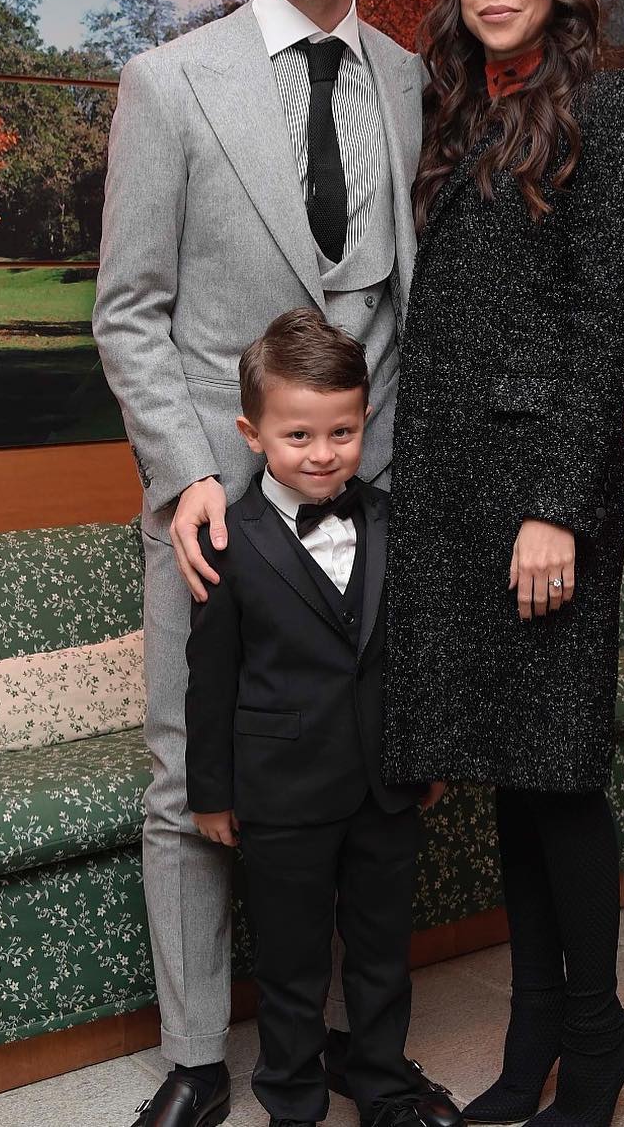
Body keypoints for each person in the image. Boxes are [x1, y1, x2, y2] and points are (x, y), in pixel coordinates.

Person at [93, 0, 454, 1127]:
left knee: (376, 778)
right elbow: (129, 309)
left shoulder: (415, 82)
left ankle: (366, 1052)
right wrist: (188, 472)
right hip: (213, 500)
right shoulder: (168, 81)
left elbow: (415, 305)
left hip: (379, 504)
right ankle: (198, 1058)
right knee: (190, 778)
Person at [381, 0, 624, 1127]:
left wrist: (559, 507)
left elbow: (609, 329)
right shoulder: (462, 110)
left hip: (543, 496)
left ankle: (595, 1039)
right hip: (455, 487)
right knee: (512, 769)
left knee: (559, 771)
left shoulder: (613, 106)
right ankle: (536, 1031)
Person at [186, 309, 445, 1127]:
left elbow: (419, 652)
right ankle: (293, 1102)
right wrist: (211, 792)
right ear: (252, 434)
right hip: (282, 795)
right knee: (292, 967)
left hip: (385, 786)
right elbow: (210, 680)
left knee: (382, 956)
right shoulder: (227, 539)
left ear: (366, 420)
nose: (323, 453)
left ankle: (385, 1089)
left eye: (343, 431)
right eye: (299, 435)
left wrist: (427, 754)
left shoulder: (395, 521)